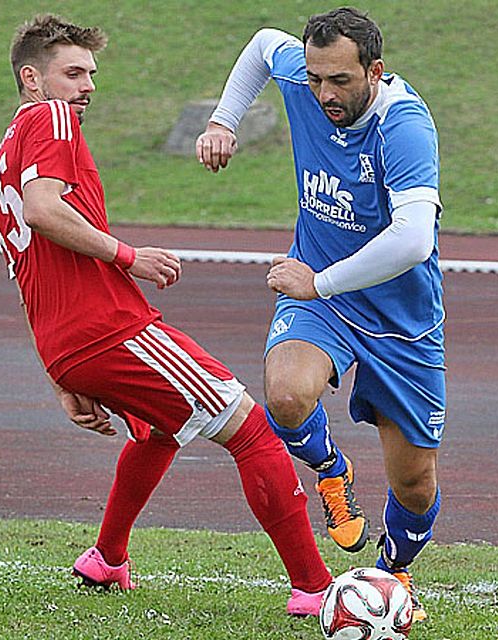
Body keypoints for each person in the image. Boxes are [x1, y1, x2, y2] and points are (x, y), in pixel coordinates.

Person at [0, 14, 332, 616]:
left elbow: (28, 270)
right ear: (31, 79)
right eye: (72, 73)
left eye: (91, 73)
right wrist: (128, 255)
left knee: (159, 429)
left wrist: (60, 372)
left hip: (68, 341)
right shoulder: (51, 117)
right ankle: (316, 589)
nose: (87, 85)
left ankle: (106, 559)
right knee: (250, 430)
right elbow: (42, 212)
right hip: (110, 327)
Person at [197, 7, 445, 623]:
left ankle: (390, 578)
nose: (323, 94)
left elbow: (413, 240)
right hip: (322, 304)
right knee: (284, 395)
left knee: (414, 485)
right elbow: (260, 43)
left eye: (339, 80)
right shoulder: (303, 77)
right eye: (315, 79)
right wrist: (224, 121)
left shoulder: (405, 126)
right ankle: (332, 470)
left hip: (400, 318)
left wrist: (320, 280)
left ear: (375, 71)